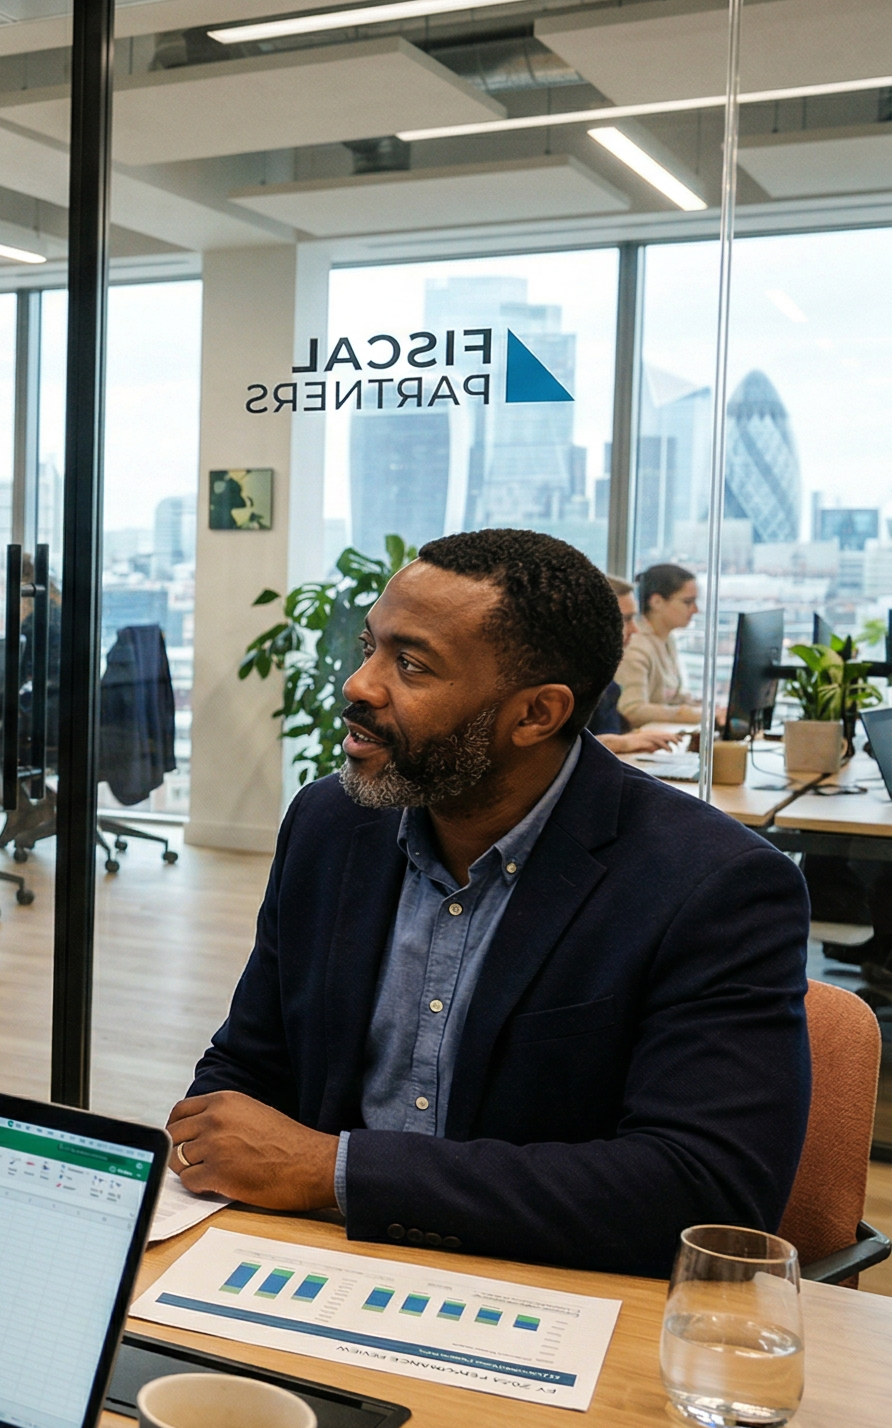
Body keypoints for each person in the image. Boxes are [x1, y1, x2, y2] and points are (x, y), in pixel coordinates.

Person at [169, 529, 809, 1276]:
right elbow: (248, 1063)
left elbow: (707, 1193)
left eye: (409, 665)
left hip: (557, 1294)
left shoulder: (712, 884)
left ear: (536, 714)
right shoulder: (331, 825)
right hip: (318, 1264)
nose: (359, 685)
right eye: (369, 647)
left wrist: (333, 1170)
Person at [593, 574, 680, 757]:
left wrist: (632, 737)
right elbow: (557, 751)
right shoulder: (562, 682)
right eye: (626, 619)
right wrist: (622, 742)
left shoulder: (604, 683)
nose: (635, 629)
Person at [617, 563, 707, 727]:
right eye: (688, 602)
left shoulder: (666, 639)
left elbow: (674, 697)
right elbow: (632, 709)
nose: (695, 610)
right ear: (657, 602)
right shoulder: (634, 645)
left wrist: (706, 709)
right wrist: (694, 715)